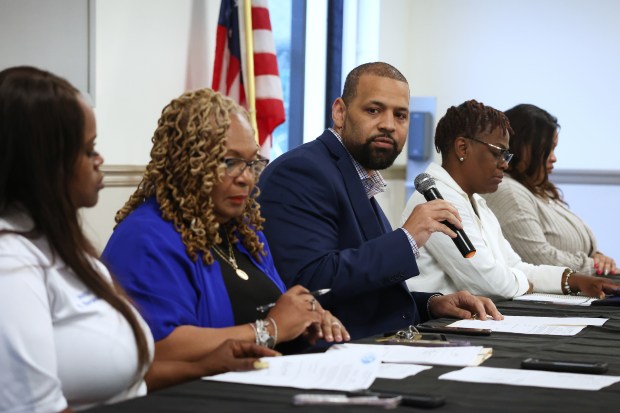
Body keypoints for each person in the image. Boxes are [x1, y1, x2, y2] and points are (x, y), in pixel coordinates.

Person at [0, 67, 278, 413]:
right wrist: (269, 329)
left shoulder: (67, 250)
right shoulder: (11, 265)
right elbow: (33, 406)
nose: (100, 161)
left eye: (251, 163)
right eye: (89, 150)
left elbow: (130, 378)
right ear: (42, 164)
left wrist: (206, 365)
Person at [102, 88, 349, 368]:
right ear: (187, 163)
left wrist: (305, 321)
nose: (246, 178)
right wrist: (269, 330)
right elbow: (158, 348)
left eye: (252, 163)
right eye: (230, 162)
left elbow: (275, 316)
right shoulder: (145, 237)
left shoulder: (243, 233)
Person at [257, 62, 502, 341]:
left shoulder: (356, 174)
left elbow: (365, 291)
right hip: (333, 355)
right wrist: (408, 237)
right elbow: (312, 283)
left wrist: (432, 304)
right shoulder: (303, 171)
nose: (388, 125)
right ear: (340, 112)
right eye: (373, 110)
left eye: (400, 115)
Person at [401, 99, 620, 301]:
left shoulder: (477, 202)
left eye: (507, 156)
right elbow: (488, 283)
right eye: (498, 153)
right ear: (463, 148)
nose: (504, 164)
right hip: (433, 327)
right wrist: (526, 283)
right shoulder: (436, 200)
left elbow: (515, 266)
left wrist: (572, 280)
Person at [483, 104, 616, 276]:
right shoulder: (508, 192)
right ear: (519, 147)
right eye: (547, 149)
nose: (554, 158)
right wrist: (594, 266)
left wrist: (598, 257)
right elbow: (538, 258)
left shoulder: (535, 188)